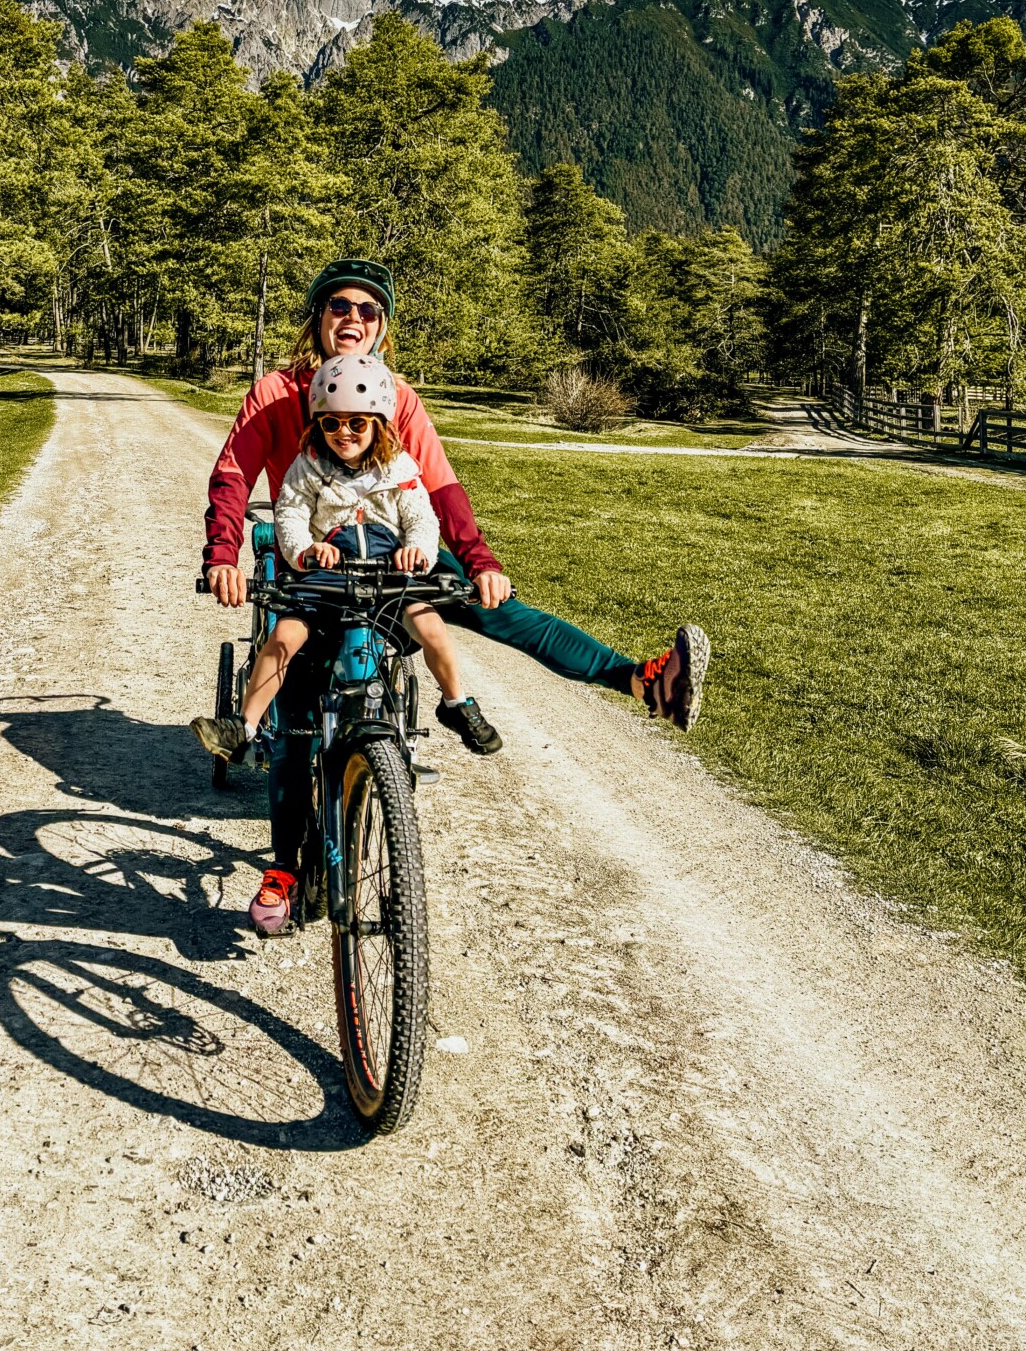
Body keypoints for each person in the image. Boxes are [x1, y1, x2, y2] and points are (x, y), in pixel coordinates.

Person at [203, 257, 709, 937]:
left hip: (394, 549)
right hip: (312, 554)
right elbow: (235, 475)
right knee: (294, 712)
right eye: (340, 306)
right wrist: (223, 555)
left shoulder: (396, 397)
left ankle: (644, 682)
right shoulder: (275, 391)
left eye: (368, 311)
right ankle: (287, 867)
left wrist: (481, 562)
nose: (353, 318)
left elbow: (438, 490)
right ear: (318, 317)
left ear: (382, 327)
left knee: (499, 610)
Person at [190, 353, 481, 774]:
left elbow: (422, 517)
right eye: (331, 423)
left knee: (432, 627)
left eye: (357, 423)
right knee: (283, 637)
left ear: (378, 423)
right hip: (326, 576)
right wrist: (306, 550)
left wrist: (417, 551)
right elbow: (289, 514)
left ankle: (455, 702)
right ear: (317, 424)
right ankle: (244, 725)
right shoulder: (307, 467)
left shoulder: (400, 469)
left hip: (389, 577)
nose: (343, 433)